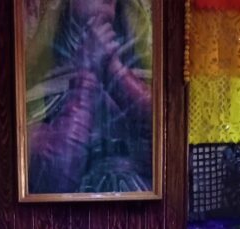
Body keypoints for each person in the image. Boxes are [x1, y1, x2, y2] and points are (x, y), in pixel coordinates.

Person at [25, 0, 153, 194]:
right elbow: (57, 179)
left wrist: (113, 71)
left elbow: (167, 148)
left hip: (139, 214)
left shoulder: (140, 68)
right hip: (68, 219)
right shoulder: (39, 81)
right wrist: (87, 73)